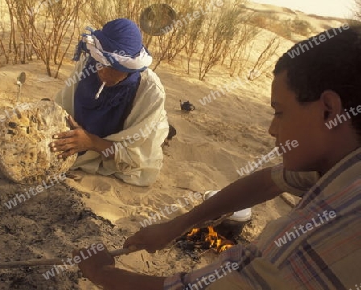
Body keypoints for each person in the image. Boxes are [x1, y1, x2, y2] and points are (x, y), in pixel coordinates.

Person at [72, 24, 361, 289]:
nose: (273, 129)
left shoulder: (337, 227)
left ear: (329, 110)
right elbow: (268, 182)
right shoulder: (343, 161)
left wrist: (103, 274)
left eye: (279, 112)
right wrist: (176, 226)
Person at [50, 18, 169, 186]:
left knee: (145, 154)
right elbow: (64, 106)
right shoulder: (87, 66)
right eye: (100, 63)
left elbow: (135, 154)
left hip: (130, 135)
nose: (104, 72)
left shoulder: (150, 91)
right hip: (82, 136)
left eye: (114, 68)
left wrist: (92, 142)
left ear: (130, 68)